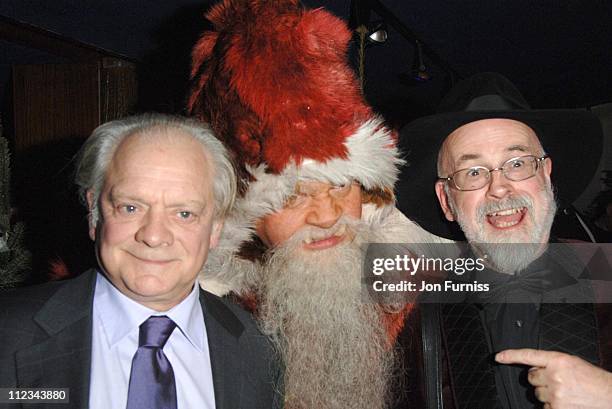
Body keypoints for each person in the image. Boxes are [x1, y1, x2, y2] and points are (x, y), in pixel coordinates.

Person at [187, 1, 448, 408]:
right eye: (293, 196)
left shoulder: (427, 286)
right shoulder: (198, 326)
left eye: (343, 187)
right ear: (243, 215)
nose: (327, 217)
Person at [0, 114, 281, 409]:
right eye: (131, 207)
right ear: (94, 214)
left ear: (215, 228)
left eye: (184, 213)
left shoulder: (258, 348)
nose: (154, 236)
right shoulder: (8, 333)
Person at [395, 72, 611, 409]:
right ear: (447, 200)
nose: (499, 188)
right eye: (474, 172)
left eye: (518, 163)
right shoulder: (420, 318)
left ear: (547, 175)